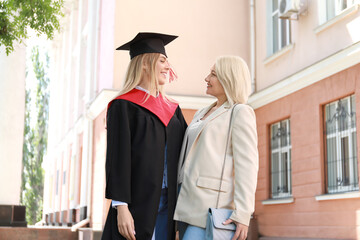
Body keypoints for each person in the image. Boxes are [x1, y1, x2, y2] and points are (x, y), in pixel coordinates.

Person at [101, 32, 187, 240]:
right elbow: (117, 159)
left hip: (169, 202)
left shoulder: (173, 109)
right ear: (145, 63)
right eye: (162, 60)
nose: (168, 67)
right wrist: (120, 207)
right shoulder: (124, 105)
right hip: (137, 202)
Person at [173, 56, 259, 240]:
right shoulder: (201, 112)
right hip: (184, 202)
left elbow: (247, 166)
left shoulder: (240, 112)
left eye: (213, 74)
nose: (206, 79)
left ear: (229, 79)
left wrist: (243, 213)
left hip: (211, 208)